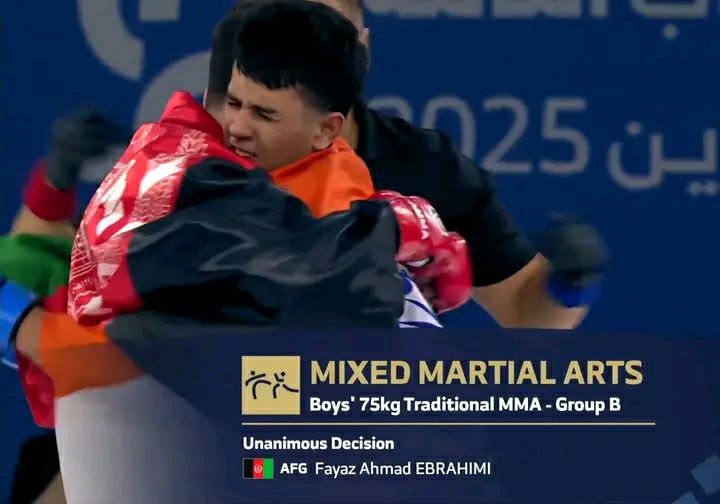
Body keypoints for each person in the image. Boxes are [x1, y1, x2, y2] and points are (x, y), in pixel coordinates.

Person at [304, 0, 608, 329]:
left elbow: (523, 309)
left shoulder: (426, 167)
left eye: (331, 38)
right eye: (282, 39)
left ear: (362, 49)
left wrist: (571, 284)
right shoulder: (256, 176)